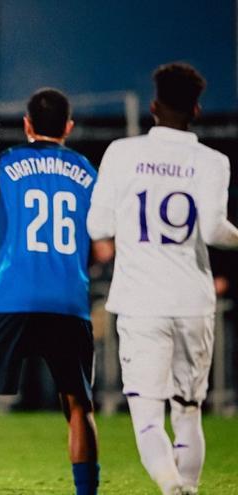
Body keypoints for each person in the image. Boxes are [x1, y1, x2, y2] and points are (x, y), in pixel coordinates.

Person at [87, 63, 238, 495]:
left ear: (153, 106)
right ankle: (184, 485)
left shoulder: (121, 152)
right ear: (196, 108)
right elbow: (213, 231)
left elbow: (98, 227)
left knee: (148, 413)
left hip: (141, 301)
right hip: (193, 300)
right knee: (189, 409)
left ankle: (172, 485)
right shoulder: (213, 161)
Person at [0, 88, 100, 495]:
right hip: (70, 303)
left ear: (28, 125)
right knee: (78, 407)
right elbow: (105, 242)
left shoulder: (6, 162)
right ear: (68, 127)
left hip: (11, 298)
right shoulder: (89, 171)